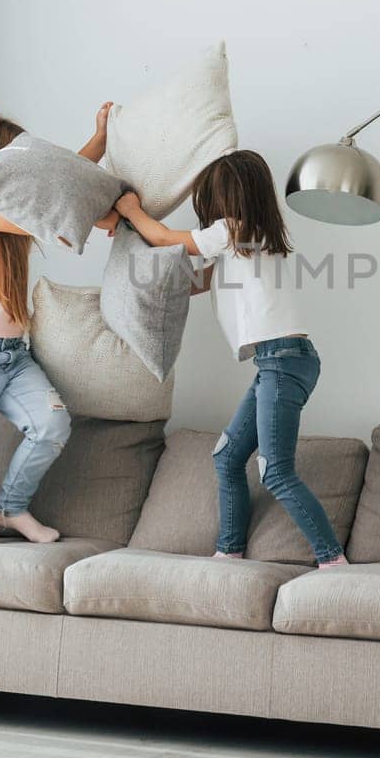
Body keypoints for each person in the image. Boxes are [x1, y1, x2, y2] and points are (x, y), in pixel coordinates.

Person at [115, 151, 348, 567]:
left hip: (283, 360)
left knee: (275, 470)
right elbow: (193, 281)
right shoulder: (246, 243)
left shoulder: (235, 230)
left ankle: (332, 561)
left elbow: (169, 240)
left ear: (226, 199)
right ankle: (230, 550)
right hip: (276, 361)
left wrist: (131, 210)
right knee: (226, 457)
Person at [0, 107, 117, 545]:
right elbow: (45, 207)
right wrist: (99, 212)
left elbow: (54, 186)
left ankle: (9, 507)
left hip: (12, 355)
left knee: (51, 427)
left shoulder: (8, 210)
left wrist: (100, 139)